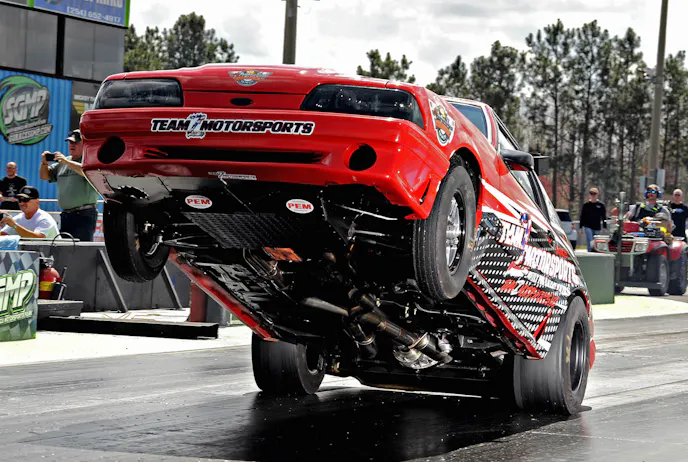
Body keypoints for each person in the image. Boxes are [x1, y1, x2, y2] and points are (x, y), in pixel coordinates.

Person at [39, 129, 100, 241]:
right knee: (66, 247)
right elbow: (44, 176)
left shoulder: (89, 160)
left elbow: (86, 171)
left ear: (85, 144)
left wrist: (66, 162)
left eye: (76, 142)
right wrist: (44, 163)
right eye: (70, 142)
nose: (72, 145)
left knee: (82, 247)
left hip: (84, 214)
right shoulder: (63, 162)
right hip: (66, 214)